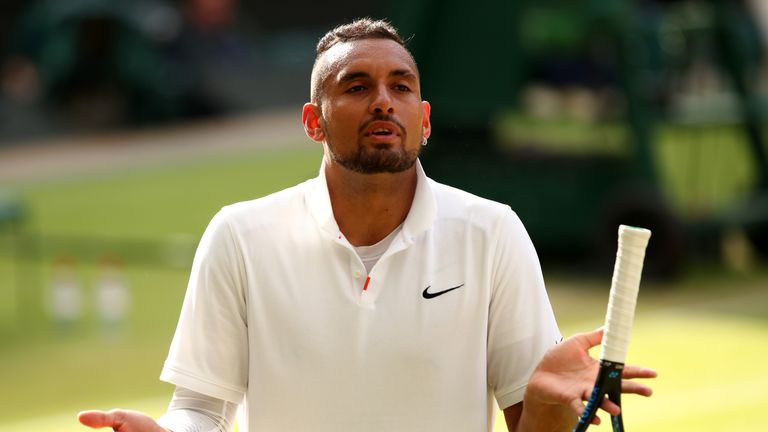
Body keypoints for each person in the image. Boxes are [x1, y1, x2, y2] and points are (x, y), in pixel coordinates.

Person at [78, 18, 656, 432]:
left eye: (400, 87)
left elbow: (530, 428)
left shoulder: (493, 232)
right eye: (356, 87)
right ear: (313, 121)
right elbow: (202, 410)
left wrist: (546, 404)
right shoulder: (238, 236)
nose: (384, 101)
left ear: (424, 120)